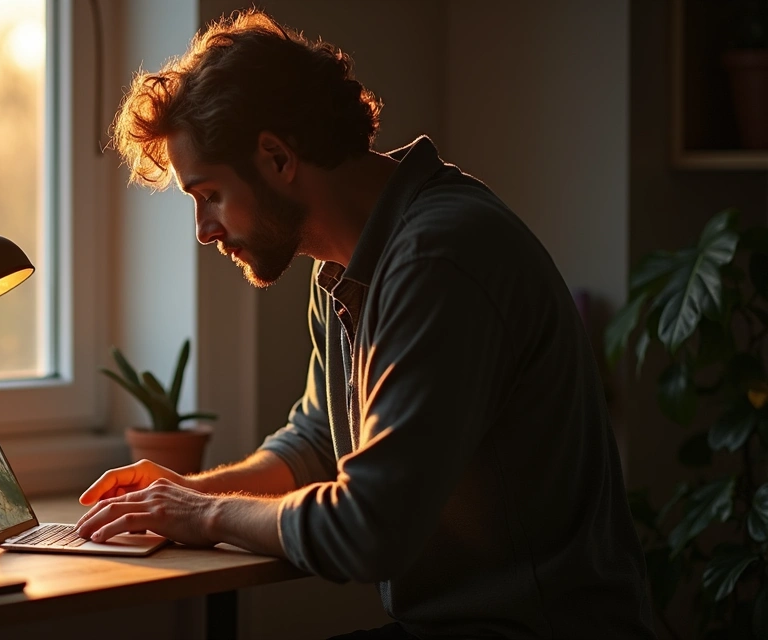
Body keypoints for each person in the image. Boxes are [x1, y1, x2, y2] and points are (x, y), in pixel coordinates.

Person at [75, 9, 655, 639]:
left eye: (208, 194)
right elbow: (319, 441)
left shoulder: (439, 258)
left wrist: (204, 511)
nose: (204, 230)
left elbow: (367, 528)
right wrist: (181, 493)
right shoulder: (345, 266)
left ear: (275, 157)